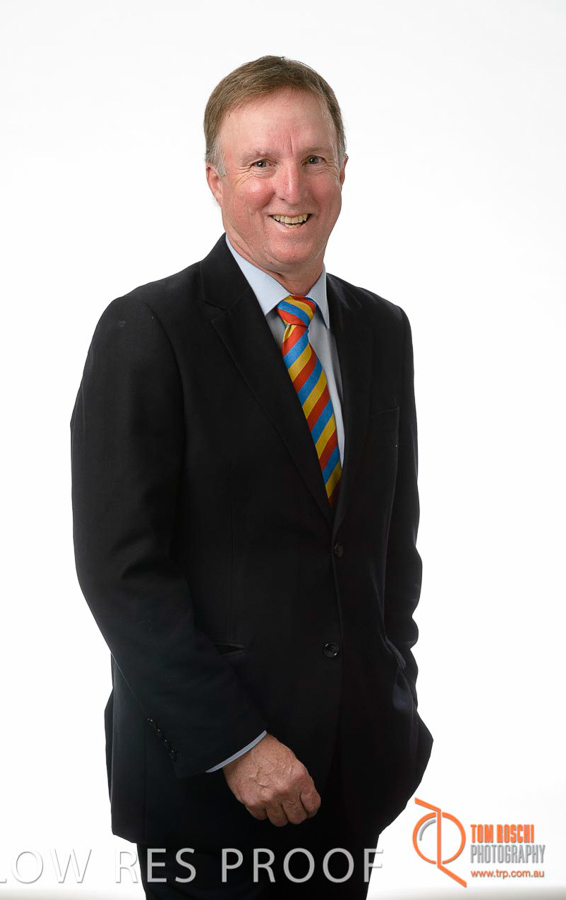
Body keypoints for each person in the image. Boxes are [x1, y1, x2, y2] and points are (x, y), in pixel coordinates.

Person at [71, 55, 433, 899]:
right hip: (207, 784)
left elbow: (388, 546)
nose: (290, 188)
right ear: (215, 180)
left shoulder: (381, 331)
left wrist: (392, 697)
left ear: (343, 169)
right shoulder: (147, 329)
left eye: (313, 158)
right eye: (260, 162)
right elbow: (122, 573)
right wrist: (235, 746)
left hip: (348, 775)